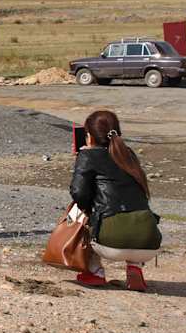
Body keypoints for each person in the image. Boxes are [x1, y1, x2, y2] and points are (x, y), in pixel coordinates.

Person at [69, 110, 162, 291]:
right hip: (149, 241)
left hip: (111, 241)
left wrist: (87, 210)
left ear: (89, 136)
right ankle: (135, 267)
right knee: (131, 213)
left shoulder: (88, 156)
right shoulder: (128, 155)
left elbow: (78, 193)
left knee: (77, 213)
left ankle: (95, 271)